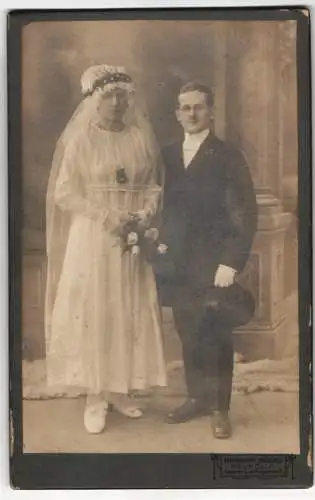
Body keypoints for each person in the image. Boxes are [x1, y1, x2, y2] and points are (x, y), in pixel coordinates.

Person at [45, 65, 167, 434]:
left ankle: (119, 389)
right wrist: (105, 216)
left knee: (126, 307)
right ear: (94, 101)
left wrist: (144, 212)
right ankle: (95, 395)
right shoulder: (81, 140)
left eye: (121, 96)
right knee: (96, 309)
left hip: (131, 235)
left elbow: (152, 186)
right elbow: (64, 192)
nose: (116, 103)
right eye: (108, 96)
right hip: (95, 236)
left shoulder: (139, 138)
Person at [159, 82, 257, 438]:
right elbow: (163, 208)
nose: (192, 114)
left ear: (211, 111)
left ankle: (219, 407)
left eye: (198, 107)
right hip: (179, 265)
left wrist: (231, 262)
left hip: (214, 264)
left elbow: (244, 213)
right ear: (177, 113)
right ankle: (196, 398)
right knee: (188, 332)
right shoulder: (168, 155)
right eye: (185, 108)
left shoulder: (227, 156)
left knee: (215, 335)